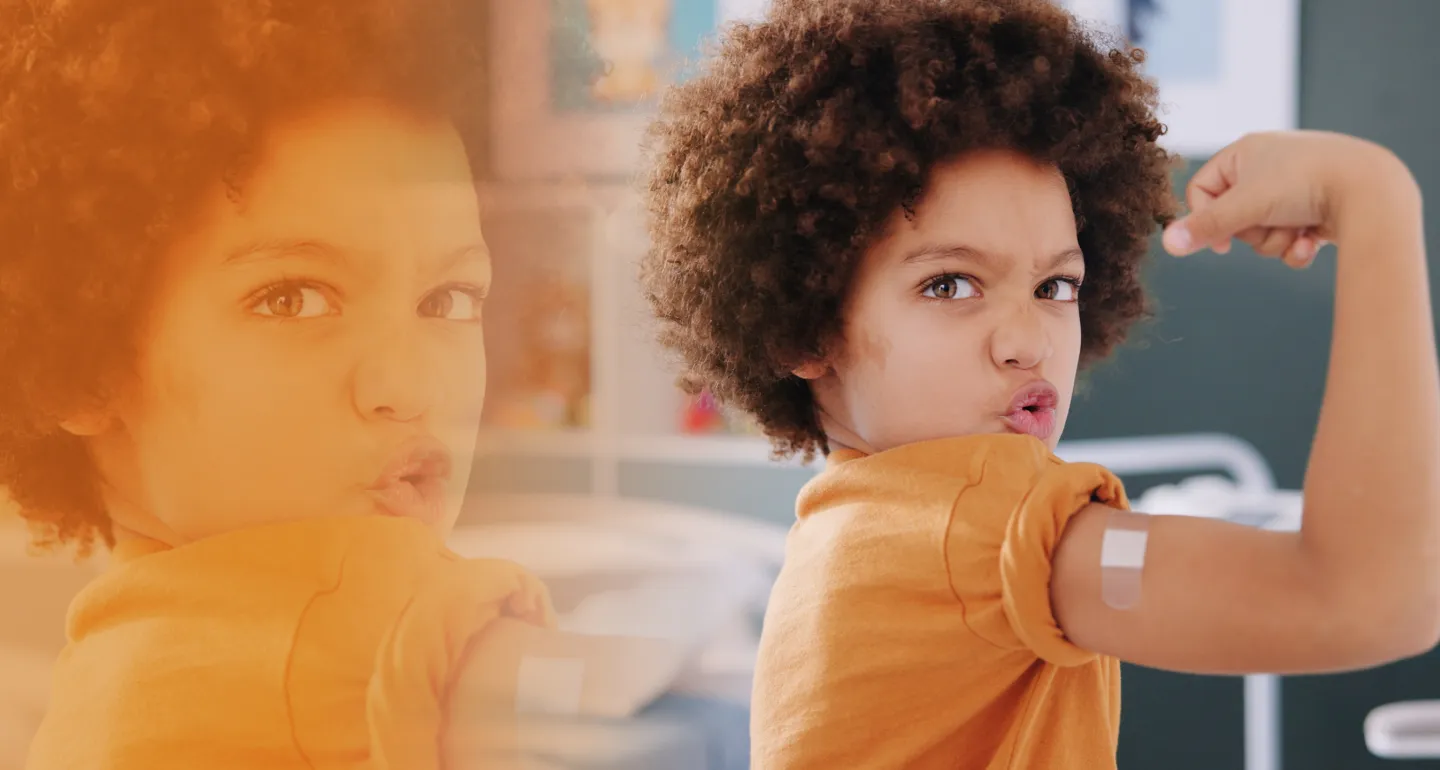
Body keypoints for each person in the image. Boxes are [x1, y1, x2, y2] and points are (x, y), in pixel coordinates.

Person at [639, 0, 1438, 767]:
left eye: (1055, 287)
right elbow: (1367, 600)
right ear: (805, 328)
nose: (1028, 342)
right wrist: (1374, 201)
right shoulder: (974, 524)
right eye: (950, 285)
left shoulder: (864, 527)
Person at [1, 2, 666, 768]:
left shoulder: (118, 668)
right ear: (81, 364)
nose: (409, 384)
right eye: (293, 298)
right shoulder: (363, 613)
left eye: (446, 301)